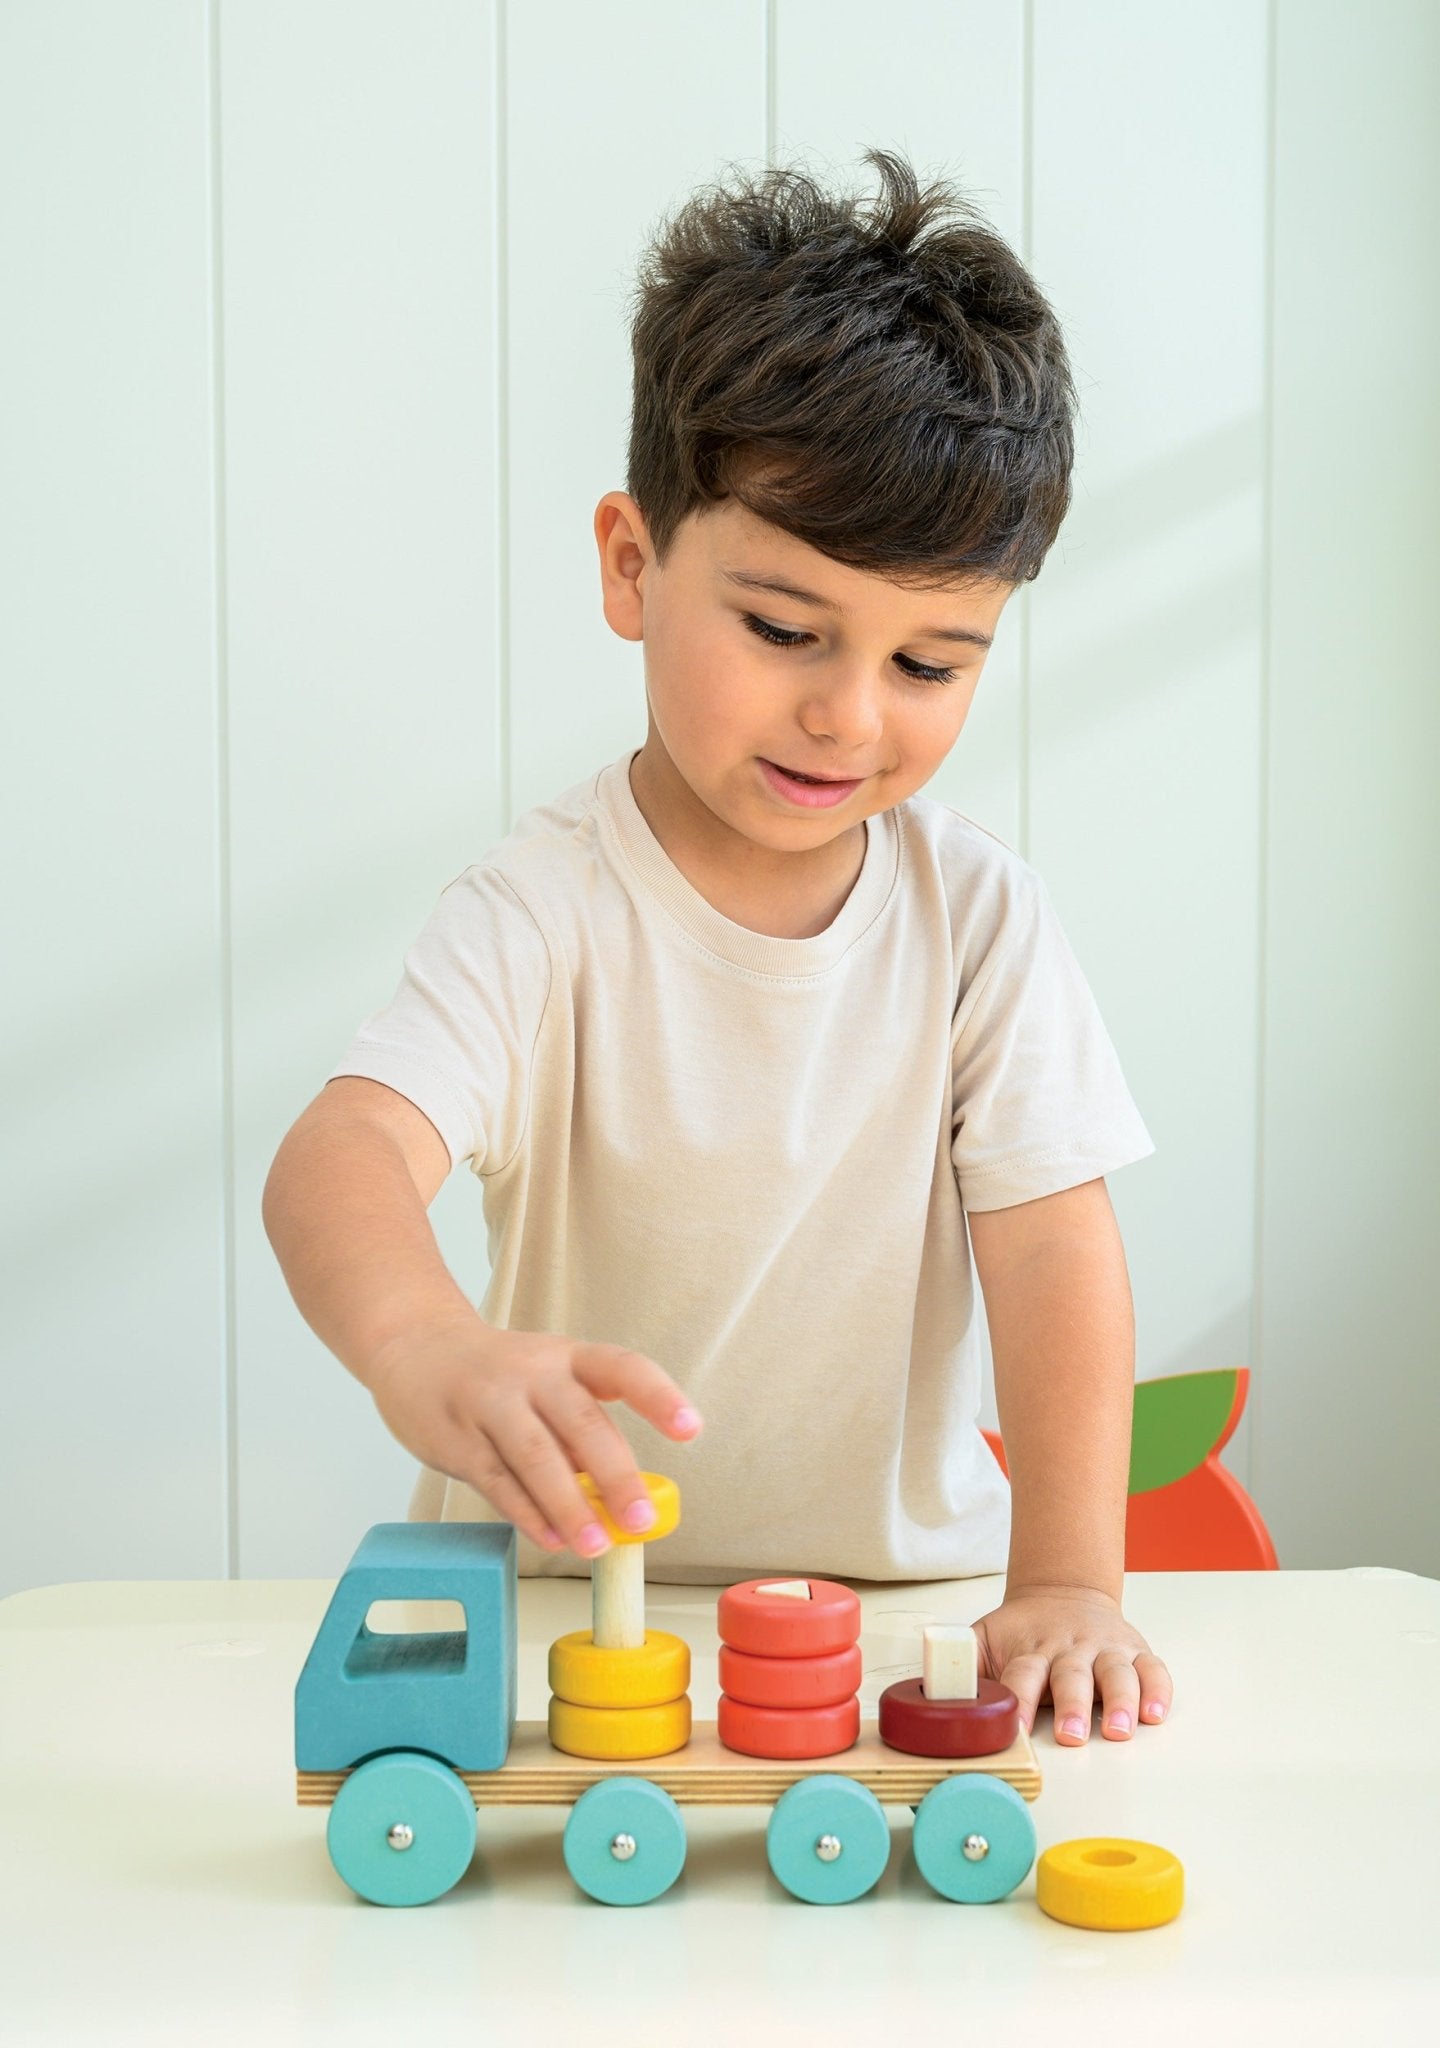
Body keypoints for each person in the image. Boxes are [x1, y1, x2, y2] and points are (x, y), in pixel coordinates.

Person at [263, 148, 1173, 1748]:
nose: (849, 712)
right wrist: (423, 1343)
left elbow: (1051, 1259)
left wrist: (1072, 1578)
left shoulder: (979, 922)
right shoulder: (542, 908)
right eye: (782, 629)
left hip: (902, 1631)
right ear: (632, 565)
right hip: (579, 1639)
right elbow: (342, 1154)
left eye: (932, 662)